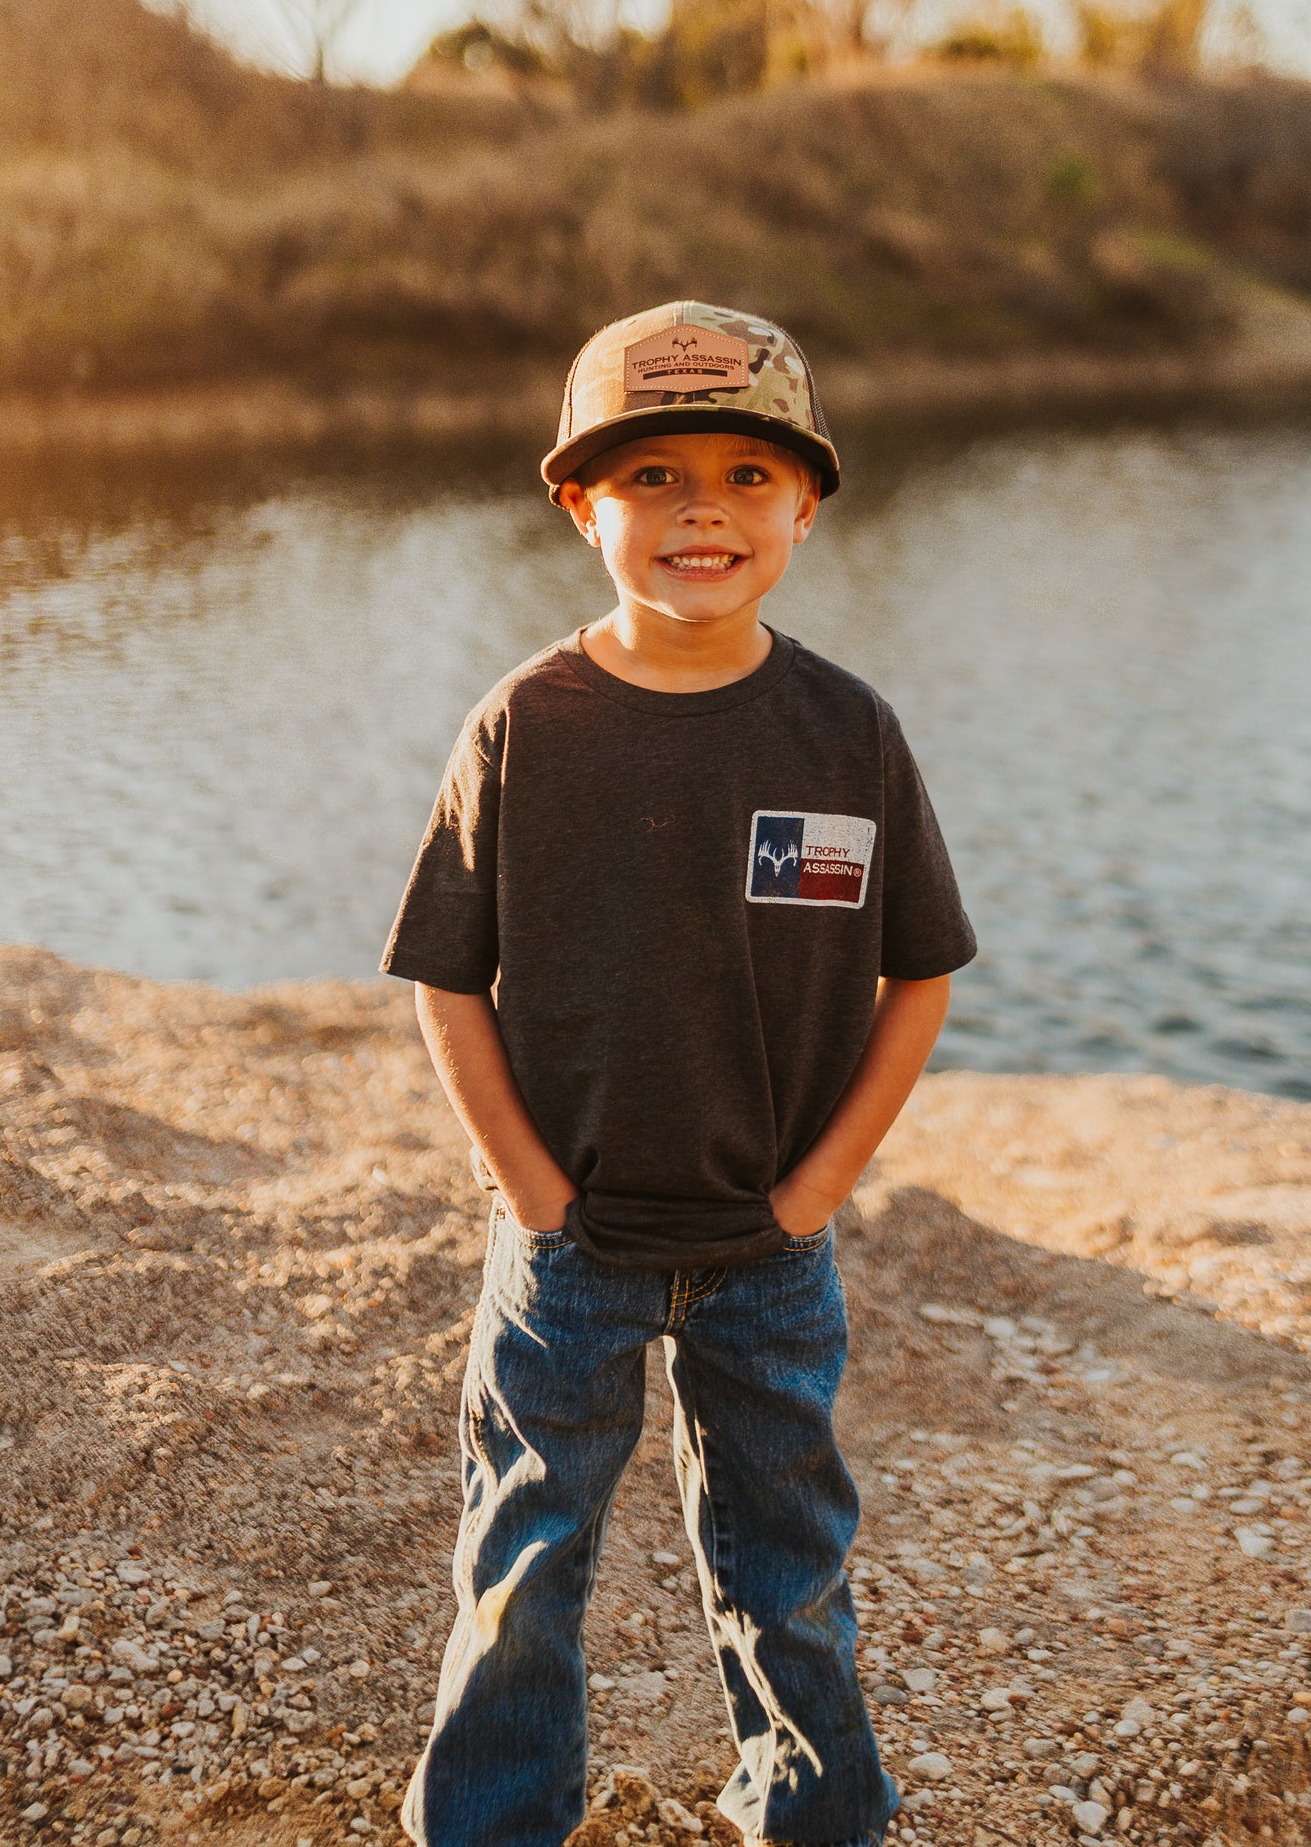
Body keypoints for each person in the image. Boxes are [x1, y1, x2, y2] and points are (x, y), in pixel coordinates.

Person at [382, 302, 977, 1847]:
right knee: (525, 1558)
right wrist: (529, 1184)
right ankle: (492, 1824)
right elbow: (445, 976)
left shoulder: (847, 733)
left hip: (766, 1252)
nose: (699, 506)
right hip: (566, 1248)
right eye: (648, 474)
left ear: (805, 504)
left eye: (743, 472)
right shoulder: (524, 724)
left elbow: (920, 974)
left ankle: (810, 1811)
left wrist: (814, 1193)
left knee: (789, 1560)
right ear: (580, 506)